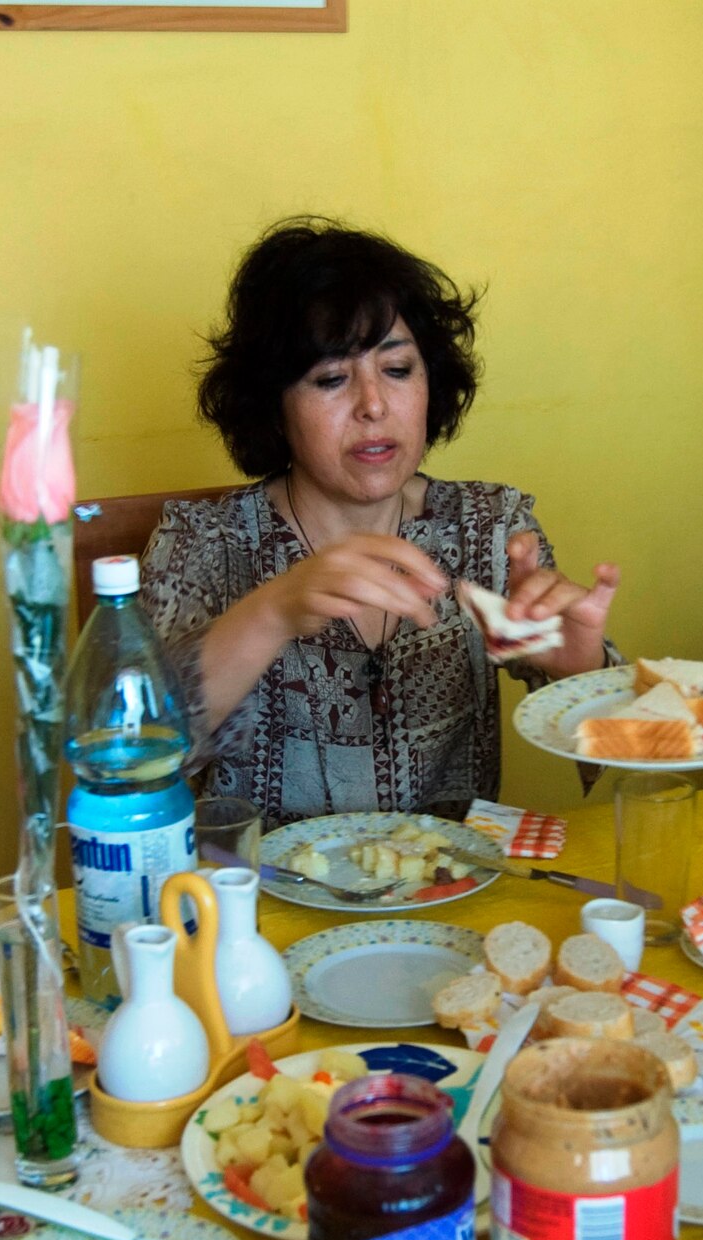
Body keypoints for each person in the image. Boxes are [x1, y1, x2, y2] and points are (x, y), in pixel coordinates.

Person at [142, 219, 620, 827]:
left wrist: (579, 667)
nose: (373, 405)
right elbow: (134, 757)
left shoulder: (491, 529)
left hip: (448, 901)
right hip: (252, 909)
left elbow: (616, 745)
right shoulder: (203, 543)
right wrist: (274, 610)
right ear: (272, 406)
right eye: (331, 379)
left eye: (397, 370)